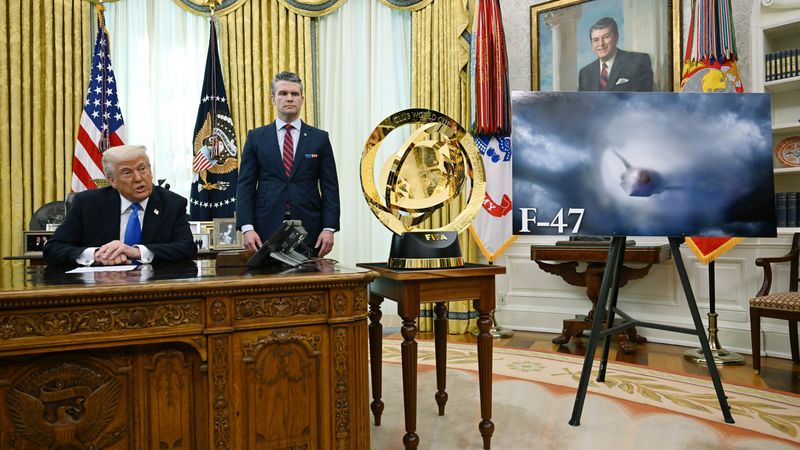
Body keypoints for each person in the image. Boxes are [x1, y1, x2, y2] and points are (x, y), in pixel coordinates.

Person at [236, 71, 340, 257]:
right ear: (273, 99)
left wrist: (329, 228)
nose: (289, 98)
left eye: (294, 94)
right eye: (283, 93)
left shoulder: (320, 139)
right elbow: (245, 186)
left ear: (302, 99)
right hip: (264, 229)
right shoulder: (256, 138)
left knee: (309, 283)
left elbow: (330, 187)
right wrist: (247, 228)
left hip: (310, 230)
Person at [43, 145, 197, 266]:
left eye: (142, 169)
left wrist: (136, 252)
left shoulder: (172, 203)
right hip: (100, 288)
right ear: (112, 181)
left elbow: (187, 248)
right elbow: (53, 249)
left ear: (150, 170)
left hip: (154, 286)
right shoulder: (88, 203)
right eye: (127, 173)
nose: (138, 178)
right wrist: (96, 255)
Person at [578, 17, 654, 92]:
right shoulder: (585, 73)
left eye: (606, 37)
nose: (601, 44)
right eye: (596, 40)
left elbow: (643, 101)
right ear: (592, 44)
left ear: (616, 37)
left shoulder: (639, 62)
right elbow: (581, 103)